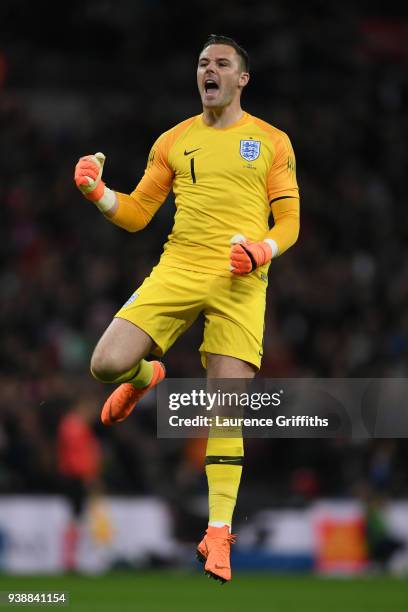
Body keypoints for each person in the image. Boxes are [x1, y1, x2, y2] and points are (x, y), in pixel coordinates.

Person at [74, 34, 300, 582]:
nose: (210, 70)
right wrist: (99, 193)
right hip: (178, 268)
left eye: (222, 63)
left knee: (225, 408)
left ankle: (219, 532)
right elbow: (136, 213)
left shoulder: (271, 141)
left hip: (241, 278)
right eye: (203, 63)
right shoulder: (173, 141)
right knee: (104, 364)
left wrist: (262, 250)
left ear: (242, 78)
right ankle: (146, 374)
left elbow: (289, 220)